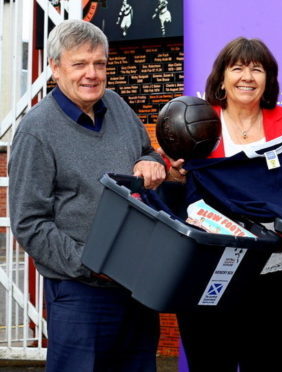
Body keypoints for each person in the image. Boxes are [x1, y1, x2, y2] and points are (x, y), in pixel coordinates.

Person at [8, 20, 166, 372]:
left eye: (100, 63)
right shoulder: (36, 132)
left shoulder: (117, 106)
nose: (92, 74)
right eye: (79, 64)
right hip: (81, 295)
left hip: (137, 287)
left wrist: (149, 160)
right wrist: (92, 265)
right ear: (55, 68)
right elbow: (29, 223)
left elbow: (146, 154)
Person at [170, 37, 282, 372]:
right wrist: (174, 176)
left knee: (268, 363)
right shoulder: (196, 122)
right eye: (238, 67)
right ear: (221, 78)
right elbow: (175, 189)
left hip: (274, 275)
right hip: (209, 273)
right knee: (210, 363)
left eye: (257, 69)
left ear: (268, 79)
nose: (247, 76)